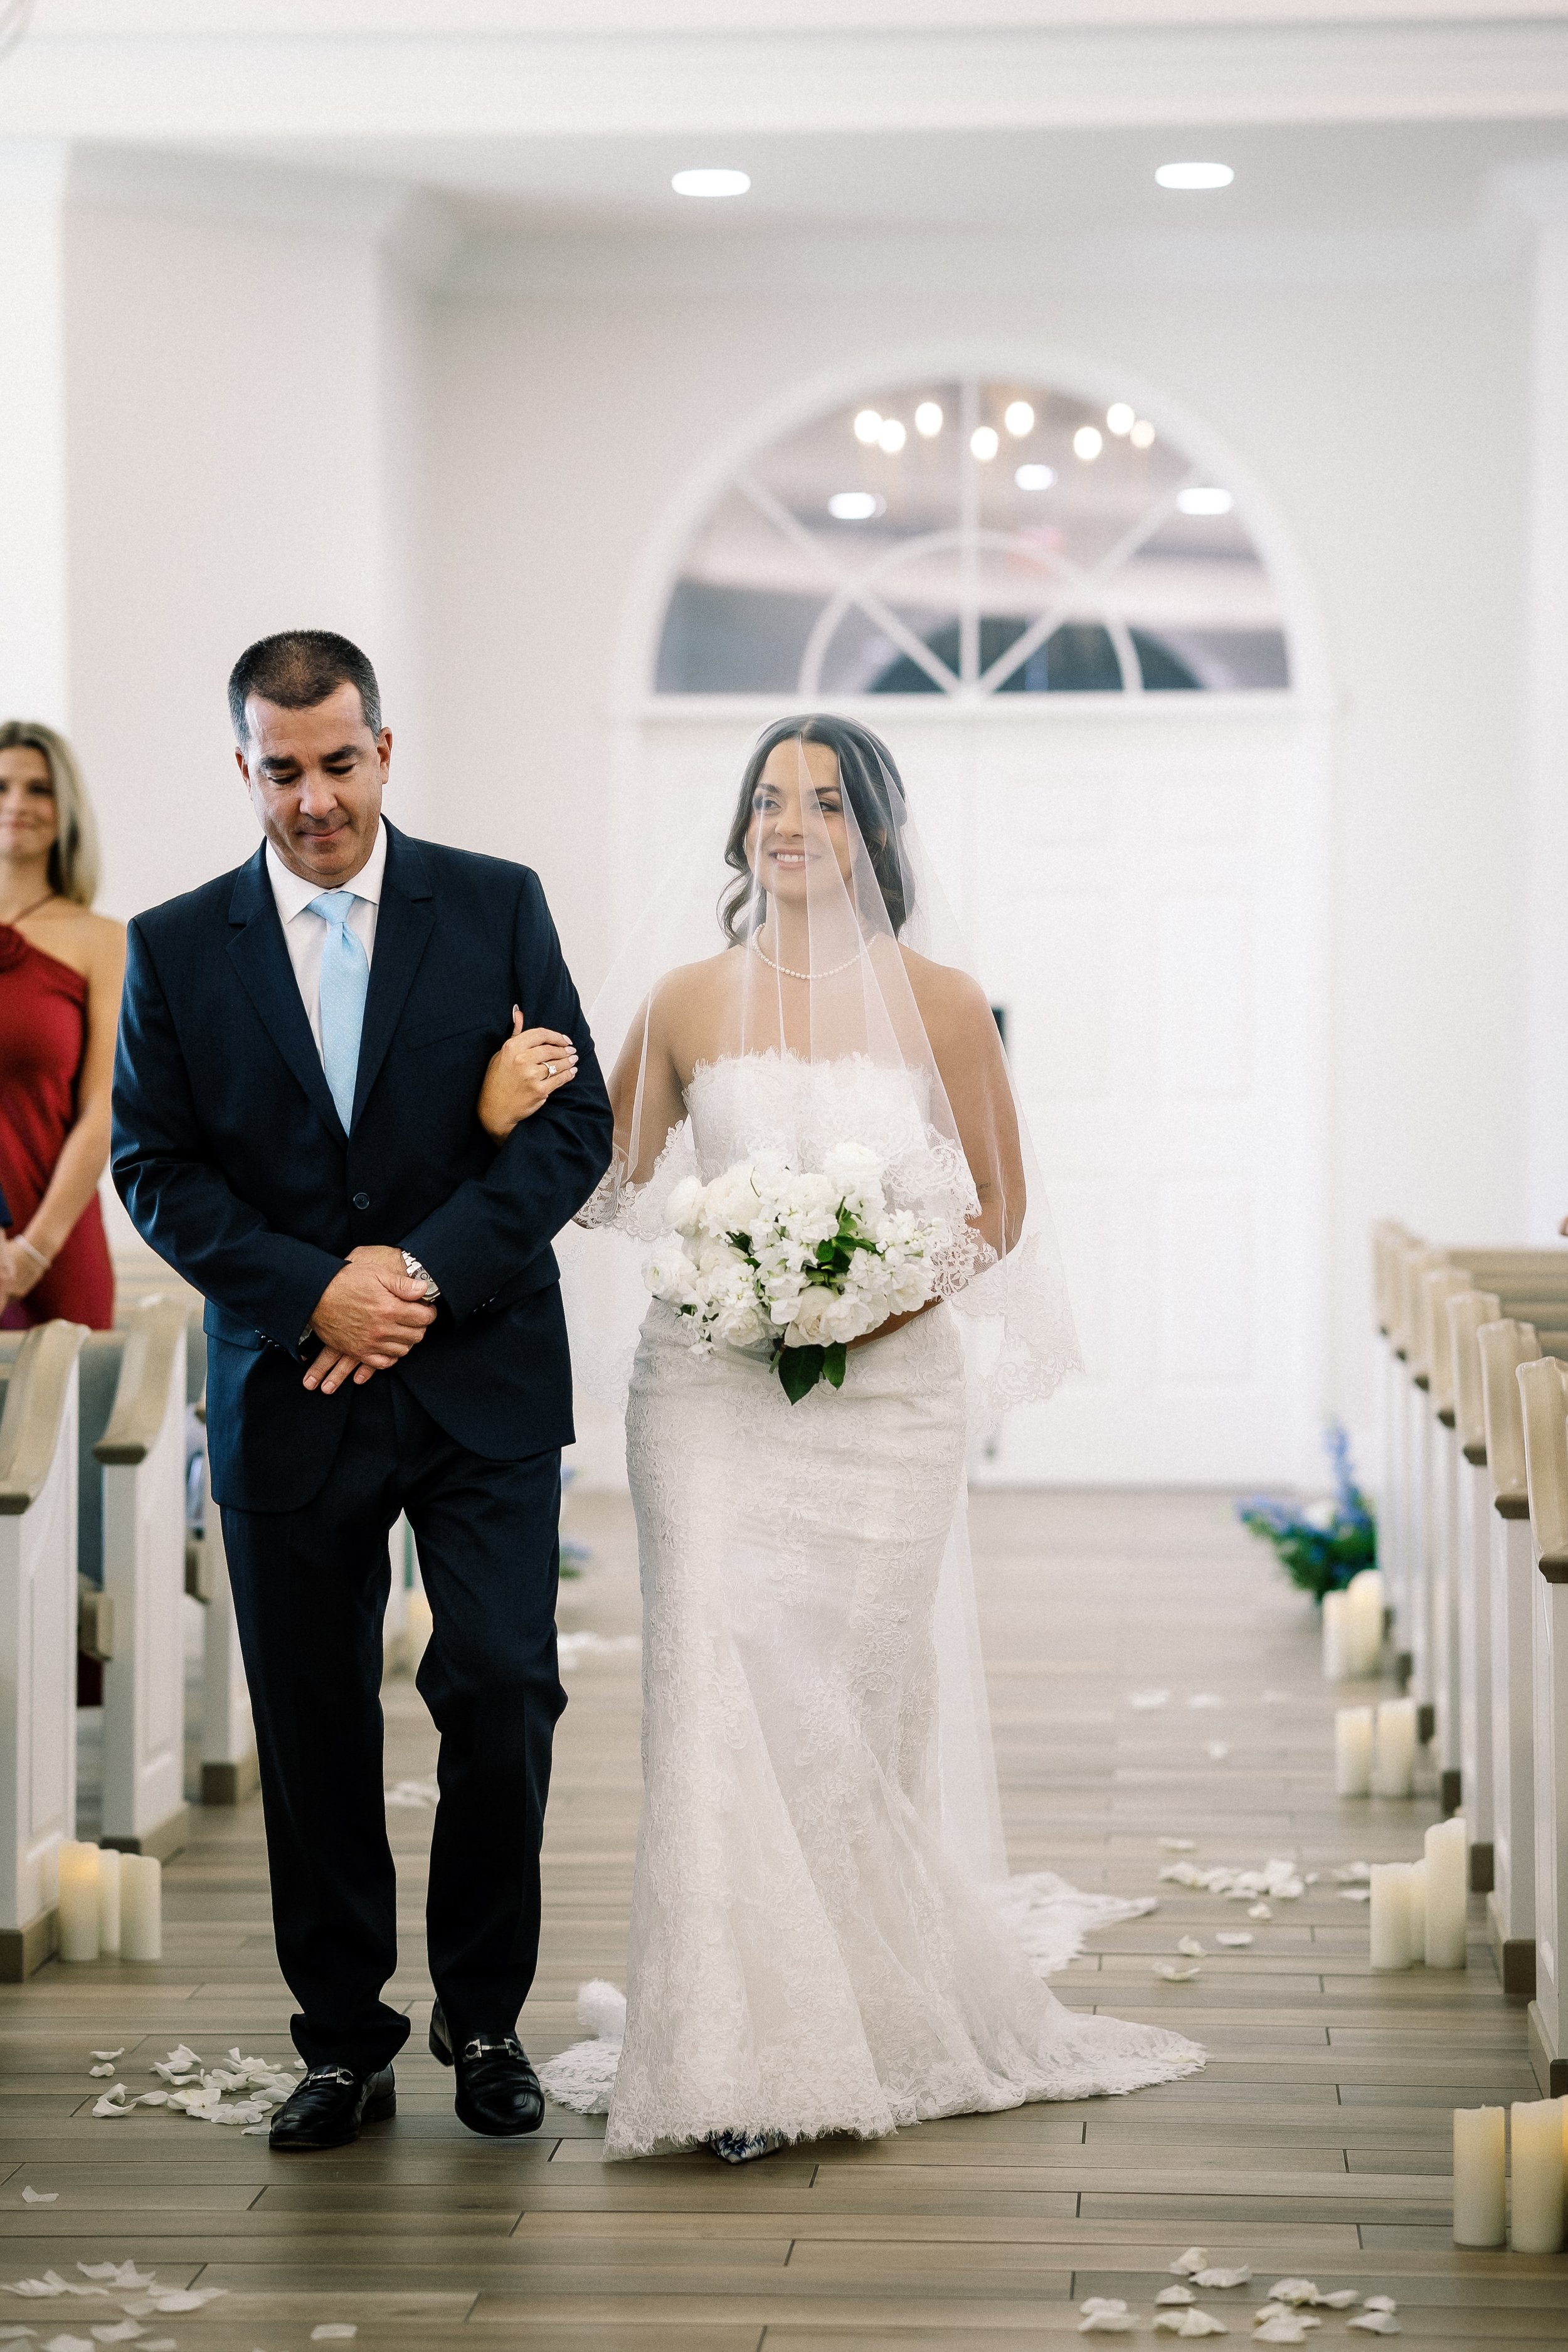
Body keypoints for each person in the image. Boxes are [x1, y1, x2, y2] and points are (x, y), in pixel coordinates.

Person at [492, 716, 1204, 2162]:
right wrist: (509, 1114)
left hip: (885, 1403)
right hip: (708, 1388)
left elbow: (997, 1214)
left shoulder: (942, 999)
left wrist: (863, 1302)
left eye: (822, 800)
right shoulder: (688, 998)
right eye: (769, 798)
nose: (790, 822)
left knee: (842, 1707)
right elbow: (606, 1186)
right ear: (742, 825)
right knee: (719, 1690)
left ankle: (858, 2016)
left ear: (875, 829)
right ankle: (729, 2047)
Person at [111, 631, 613, 2153]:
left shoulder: (497, 901)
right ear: (245, 767)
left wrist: (410, 1278)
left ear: (384, 749)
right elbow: (156, 1166)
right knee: (316, 1720)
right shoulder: (176, 943)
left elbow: (570, 1119)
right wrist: (305, 1287)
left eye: (340, 760)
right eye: (285, 768)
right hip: (290, 1384)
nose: (316, 796)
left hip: (482, 1373)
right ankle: (341, 2037)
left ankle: (487, 2015)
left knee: (503, 1687)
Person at [0, 721, 124, 1330]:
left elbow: (104, 1109)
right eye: (1, 787)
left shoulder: (105, 943)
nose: (16, 804)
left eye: (39, 789)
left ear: (65, 806)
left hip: (55, 1249)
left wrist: (30, 1253)